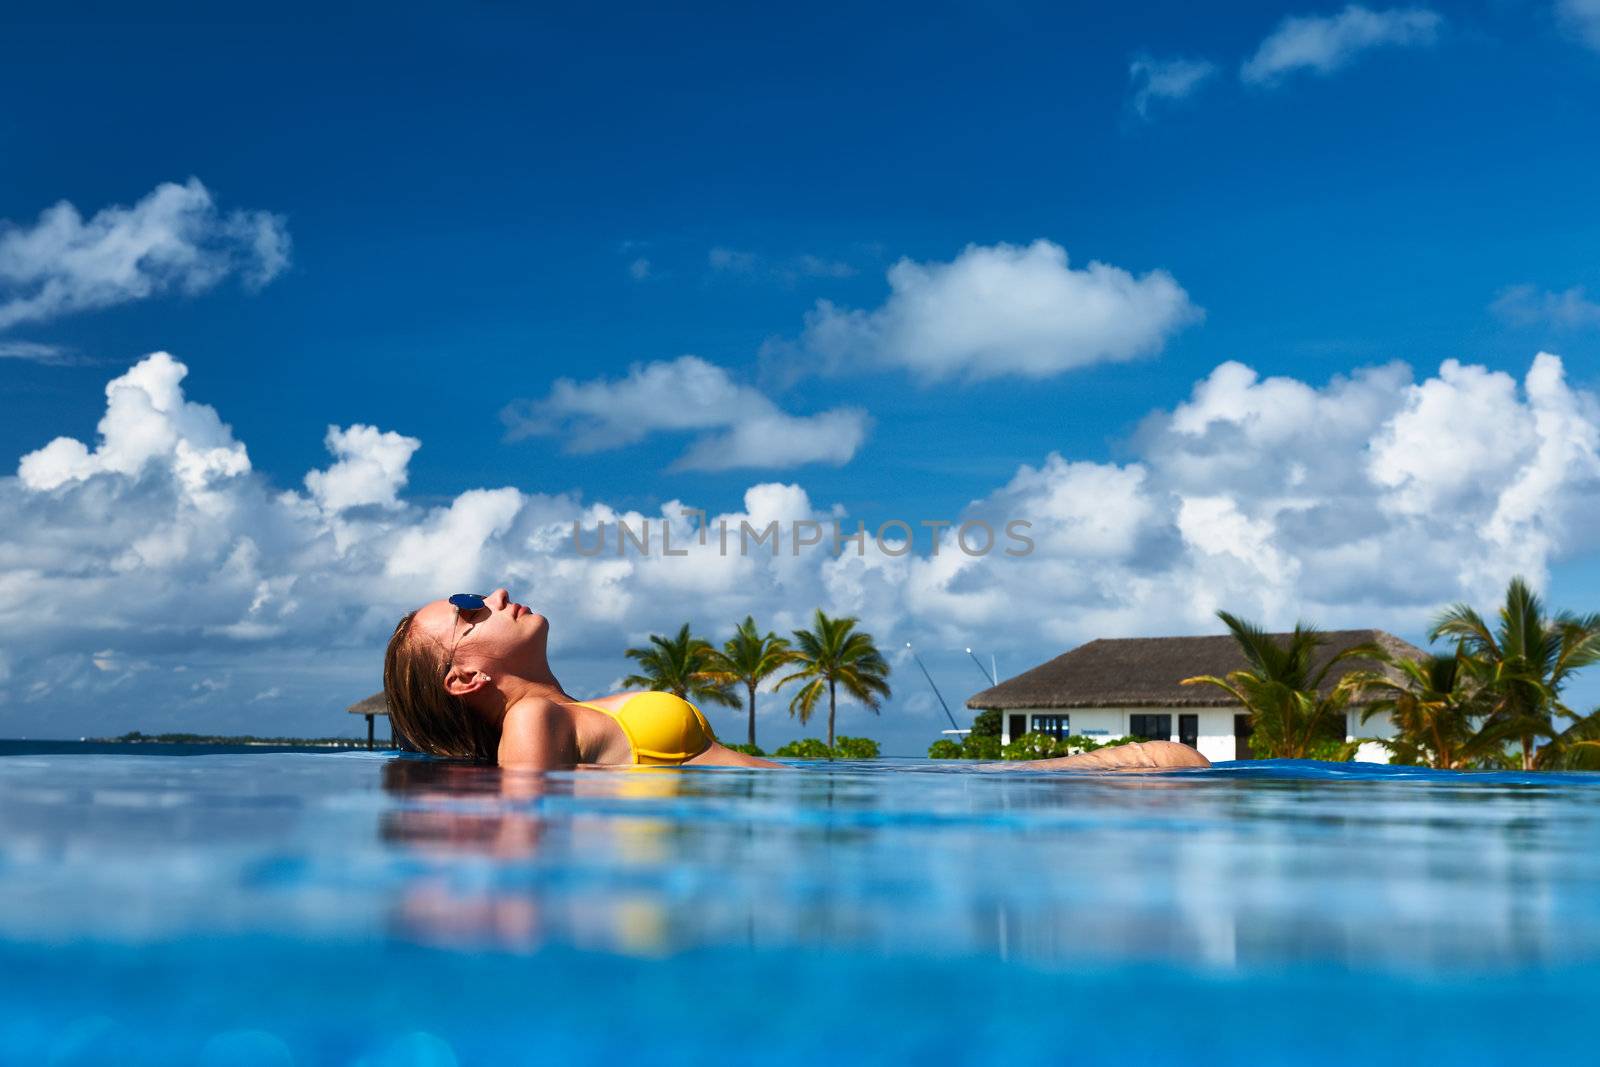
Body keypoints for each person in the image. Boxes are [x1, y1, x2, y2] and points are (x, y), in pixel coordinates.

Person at [383, 589, 1210, 772]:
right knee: (1175, 764)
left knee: (1174, 764)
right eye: (465, 607)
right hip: (828, 806)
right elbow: (529, 858)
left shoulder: (568, 708)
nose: (490, 594)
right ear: (463, 678)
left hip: (832, 792)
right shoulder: (533, 727)